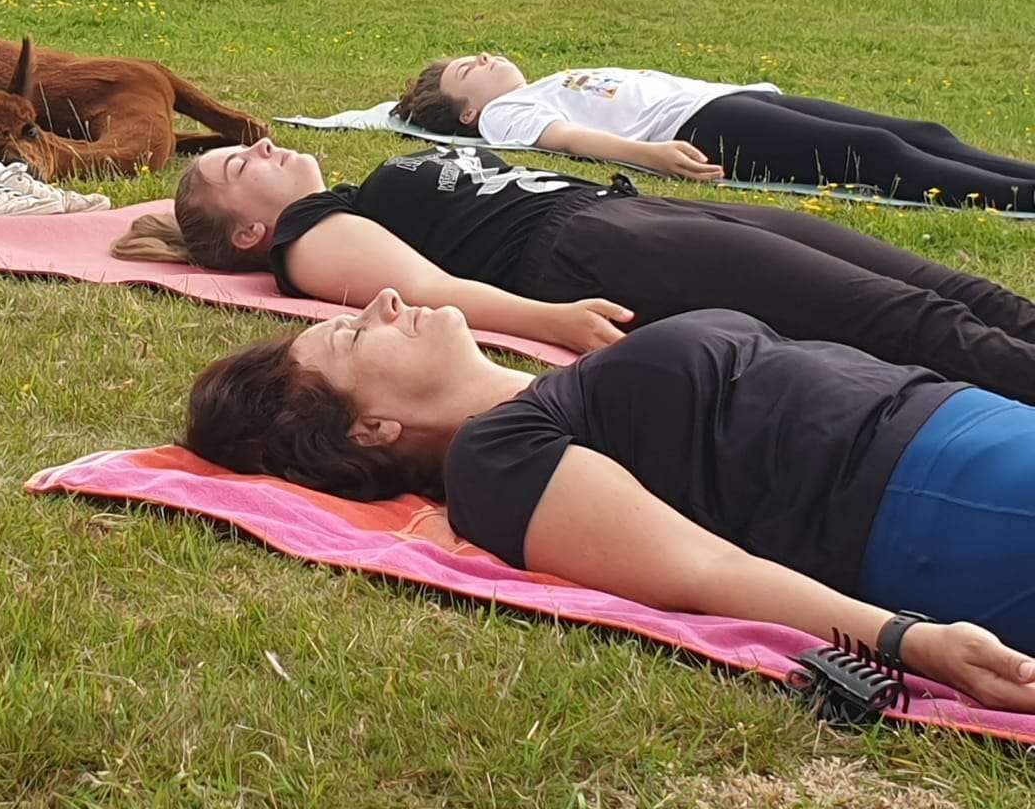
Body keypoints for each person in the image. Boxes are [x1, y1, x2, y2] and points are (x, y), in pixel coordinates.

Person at [184, 288, 1035, 710]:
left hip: (961, 430)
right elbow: (700, 570)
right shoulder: (497, 461)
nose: (383, 301)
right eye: (352, 334)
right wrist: (904, 642)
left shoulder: (558, 392)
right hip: (931, 497)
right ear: (370, 429)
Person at [110, 139, 1035, 400]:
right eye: (241, 167)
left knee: (947, 292)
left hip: (633, 214)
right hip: (594, 249)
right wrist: (545, 321)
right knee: (904, 319)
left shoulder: (353, 187)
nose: (263, 147)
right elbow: (425, 291)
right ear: (247, 234)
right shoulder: (309, 236)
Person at [394, 54, 1035, 211]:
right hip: (697, 128)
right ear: (469, 112)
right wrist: (651, 155)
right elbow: (565, 140)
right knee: (877, 156)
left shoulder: (551, 75)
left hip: (727, 102)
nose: (480, 58)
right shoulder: (507, 115)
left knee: (921, 130)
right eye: (465, 71)